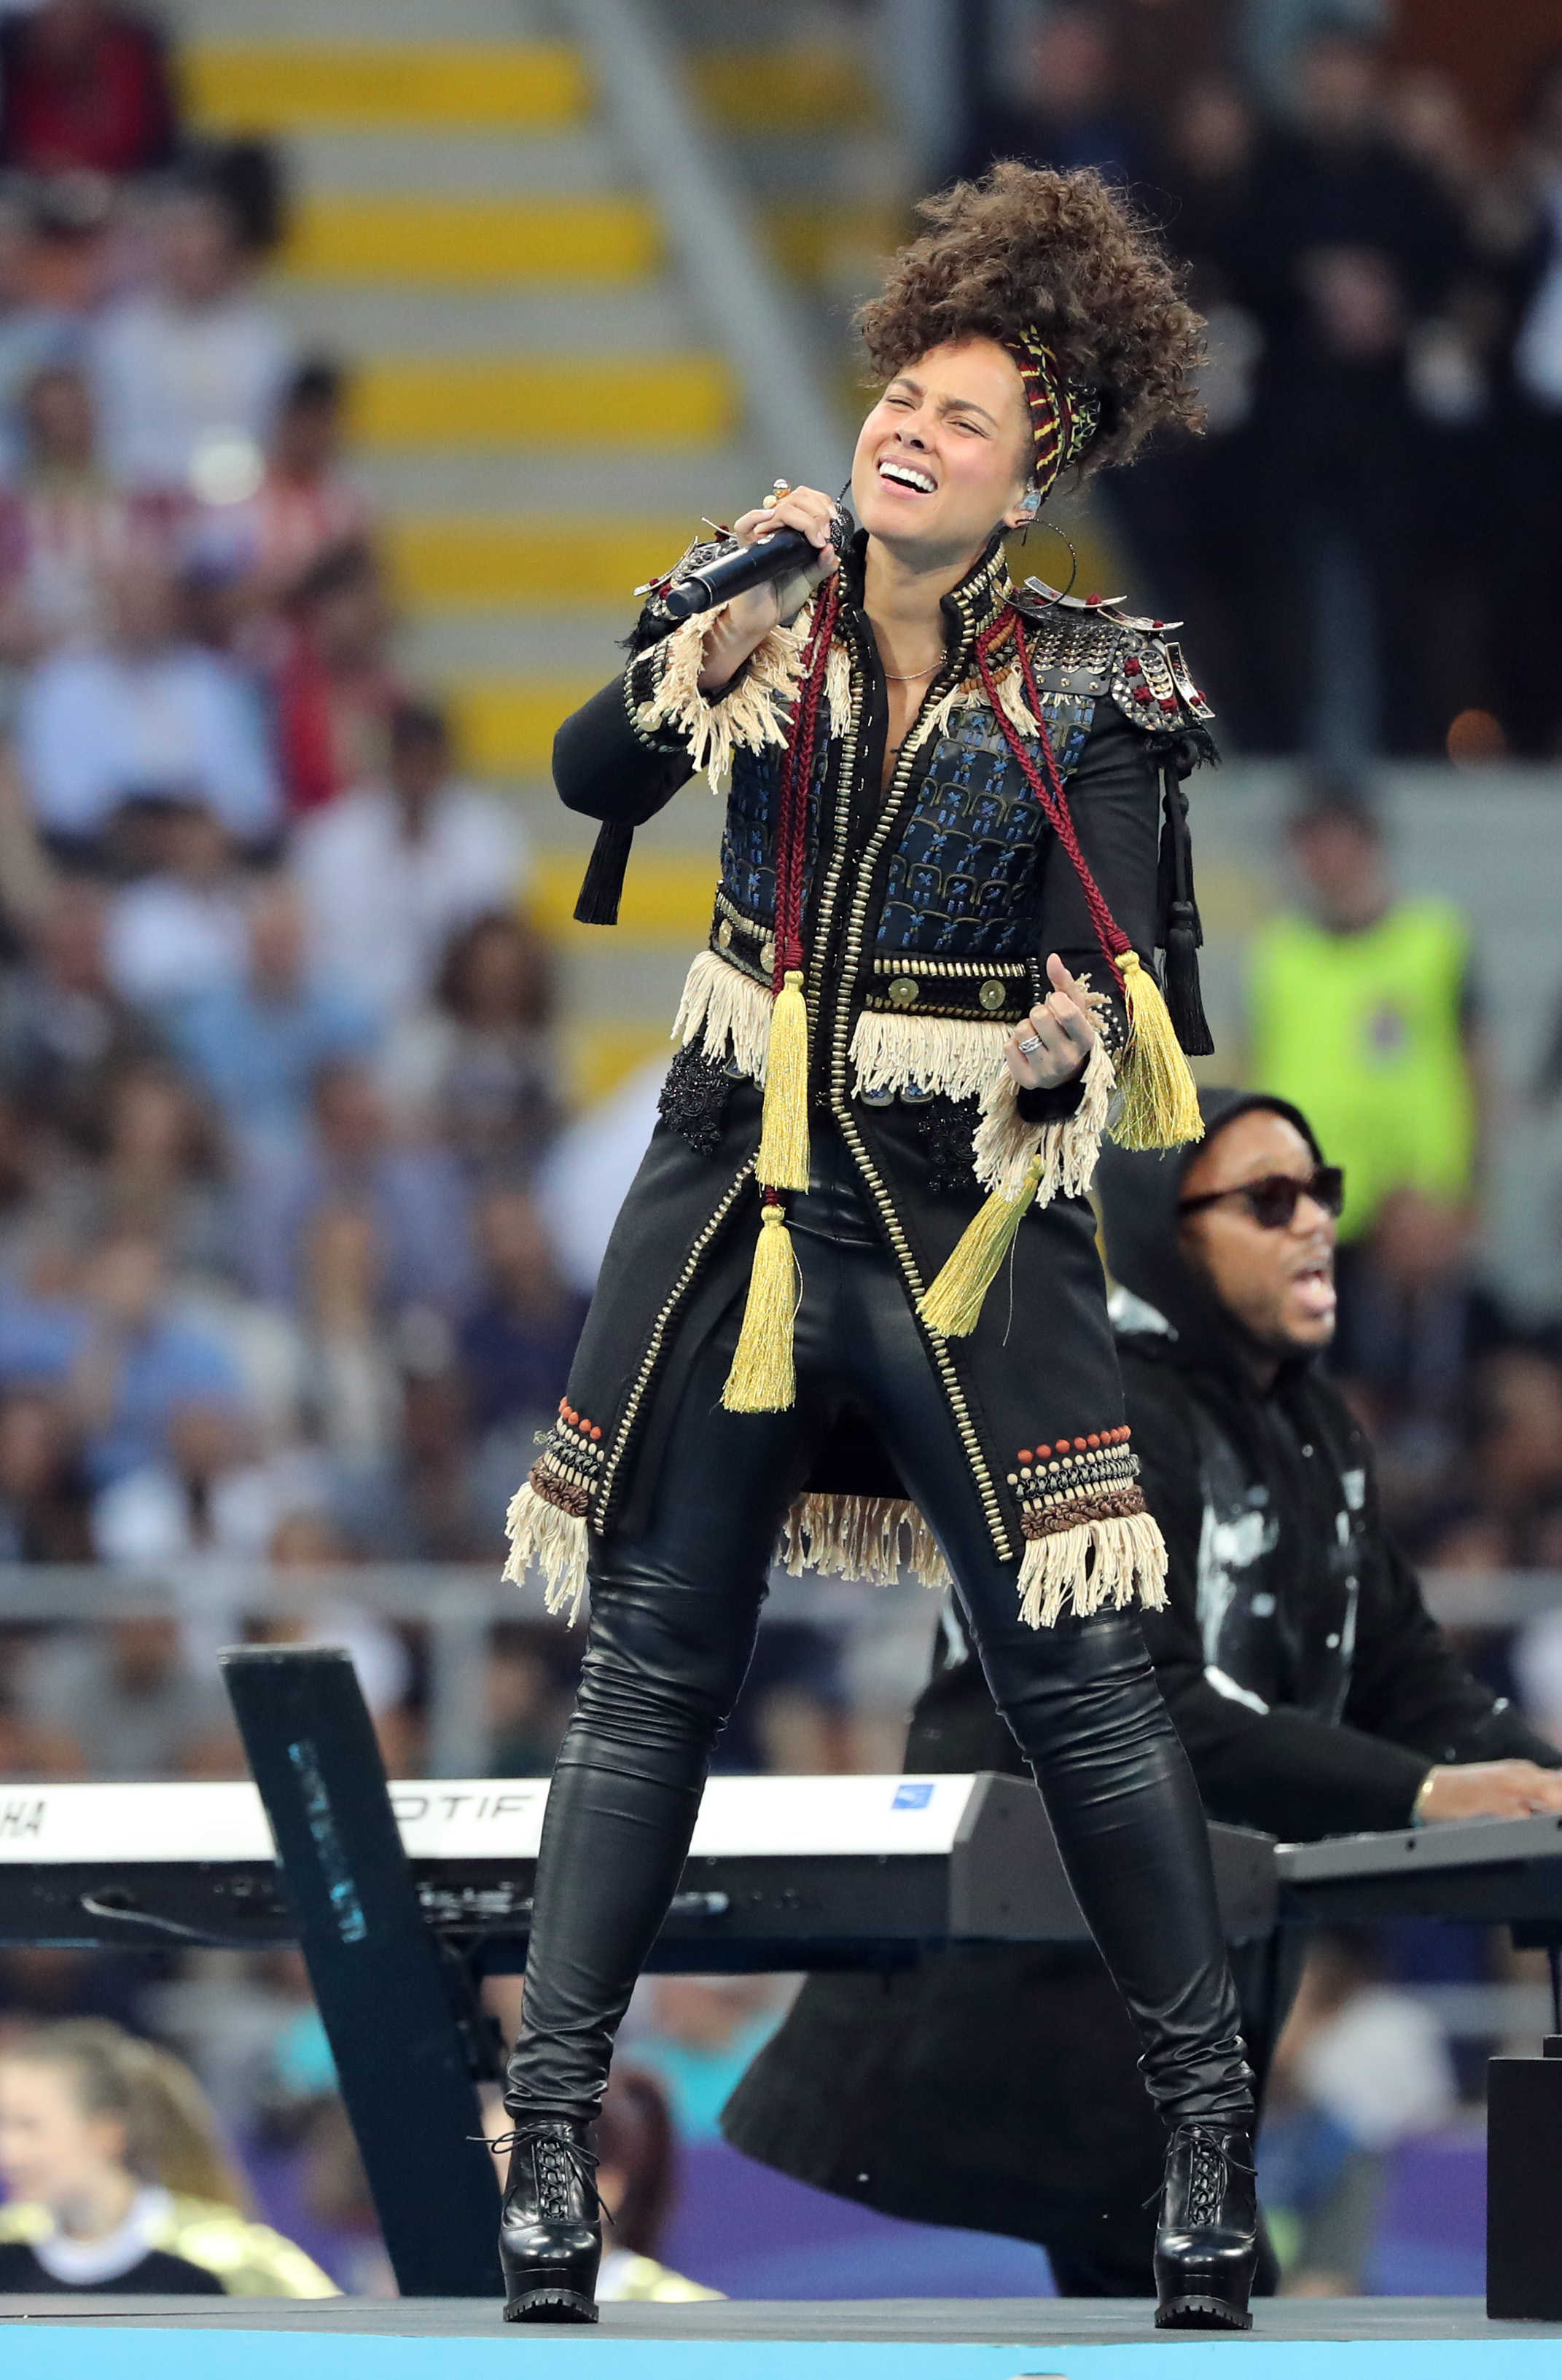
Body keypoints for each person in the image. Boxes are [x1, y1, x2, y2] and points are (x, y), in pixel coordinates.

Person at [497, 161, 1257, 2330]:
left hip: (957, 1221)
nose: (909, 426)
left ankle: (1200, 2131)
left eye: (968, 412)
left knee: (1081, 1689)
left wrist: (1056, 1049)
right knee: (650, 1667)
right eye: (900, 390)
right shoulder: (758, 606)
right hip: (737, 1193)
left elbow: (1113, 986)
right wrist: (693, 644)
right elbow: (582, 775)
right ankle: (552, 2138)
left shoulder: (1100, 685)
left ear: (1042, 471)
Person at [723, 1086, 1562, 2294]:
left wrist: (1531, 1783)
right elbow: (1141, 1705)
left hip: (1162, 2053)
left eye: (1318, 1193)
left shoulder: (1317, 1434)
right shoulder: (1084, 1410)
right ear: (1167, 1231)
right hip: (989, 2058)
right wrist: (1430, 1792)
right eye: (1266, 1203)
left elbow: (1405, 1678)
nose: (1315, 1224)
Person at [0, 2019, 335, 2294]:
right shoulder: (9, 2249)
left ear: (107, 2134)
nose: (8, 2152)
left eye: (28, 2127)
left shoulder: (231, 2264)